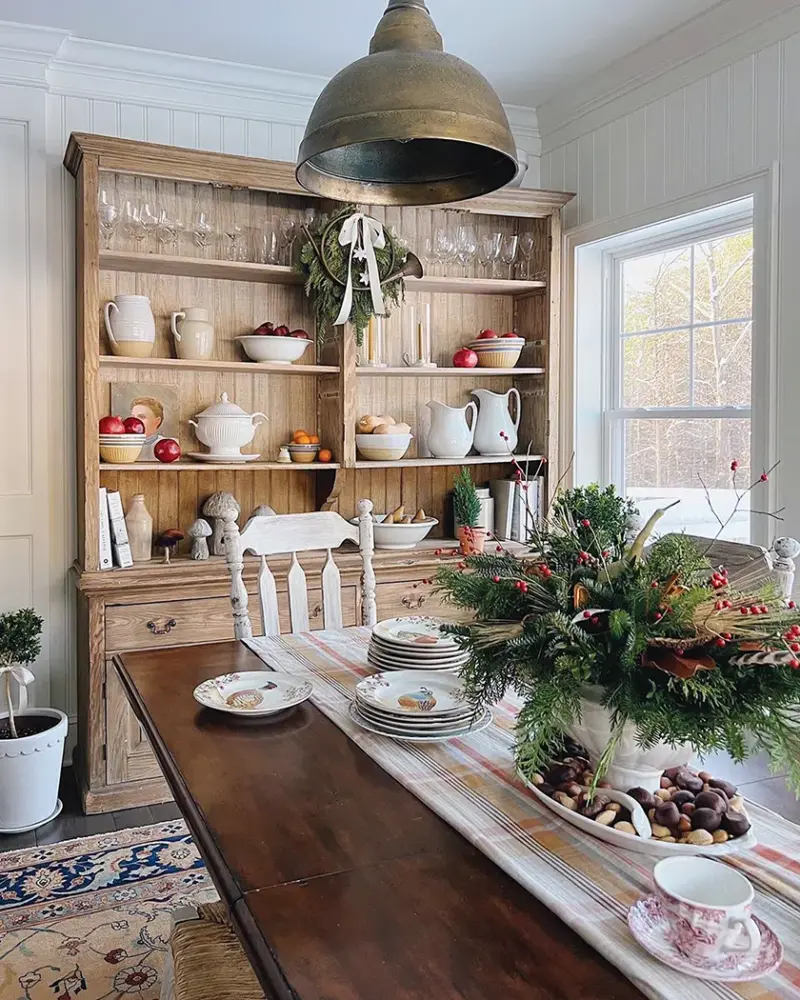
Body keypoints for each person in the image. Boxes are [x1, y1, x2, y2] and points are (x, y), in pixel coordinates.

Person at [131, 396, 167, 461]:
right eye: (133, 417)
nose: (135, 421)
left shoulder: (165, 445)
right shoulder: (125, 445)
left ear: (157, 421)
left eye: (142, 417)